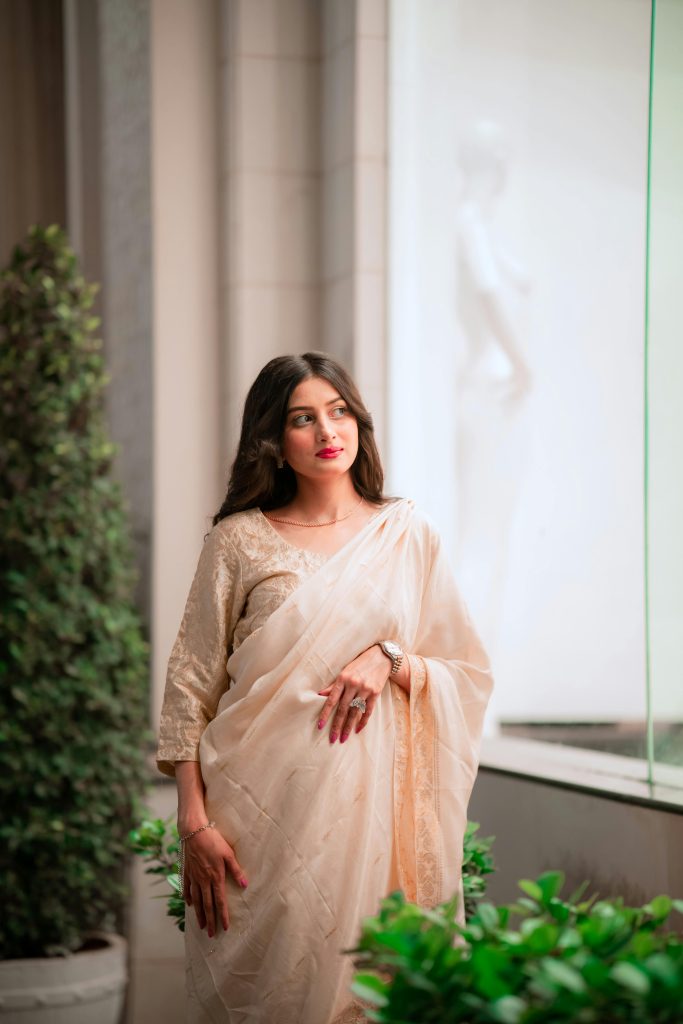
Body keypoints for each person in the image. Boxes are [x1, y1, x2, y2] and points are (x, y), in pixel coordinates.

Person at [156, 352, 494, 1024]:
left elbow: (465, 670)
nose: (325, 430)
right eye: (301, 419)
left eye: (338, 411)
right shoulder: (237, 542)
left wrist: (389, 658)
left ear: (358, 422)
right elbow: (189, 688)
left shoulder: (406, 535)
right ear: (274, 441)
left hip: (376, 827)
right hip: (258, 823)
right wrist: (193, 822)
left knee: (369, 994)